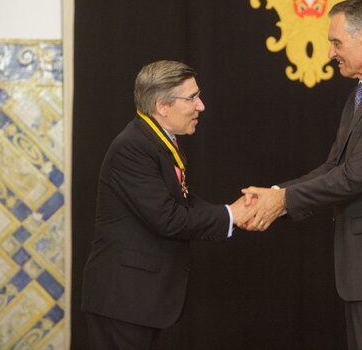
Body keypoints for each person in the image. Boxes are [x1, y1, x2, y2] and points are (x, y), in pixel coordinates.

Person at [241, 0, 362, 350]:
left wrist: (283, 200)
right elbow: (335, 168)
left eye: (336, 42)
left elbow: (355, 177)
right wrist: (275, 194)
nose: (331, 53)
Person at [81, 60, 251, 349]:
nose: (201, 106)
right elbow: (168, 218)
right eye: (191, 98)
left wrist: (233, 213)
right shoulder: (132, 147)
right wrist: (230, 215)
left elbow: (182, 199)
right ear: (162, 106)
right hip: (123, 300)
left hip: (139, 301)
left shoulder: (156, 141)